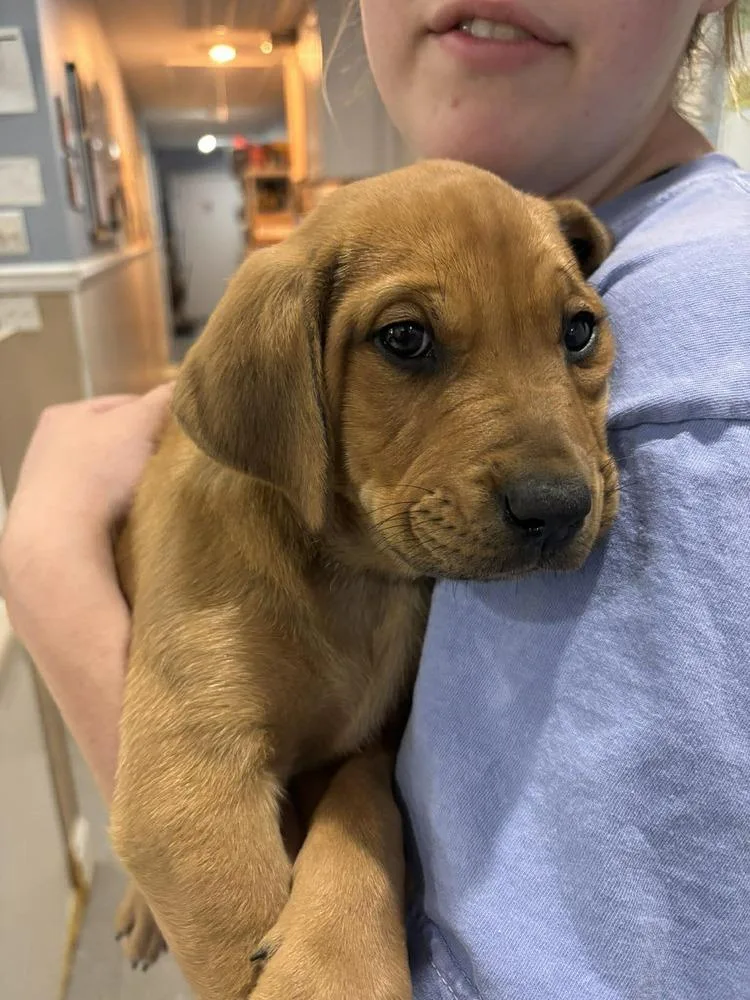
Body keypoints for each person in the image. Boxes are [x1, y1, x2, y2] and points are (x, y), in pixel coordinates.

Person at [2, 2, 749, 996]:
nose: (552, 476)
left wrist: (50, 574)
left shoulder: (704, 390)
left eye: (574, 335)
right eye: (408, 341)